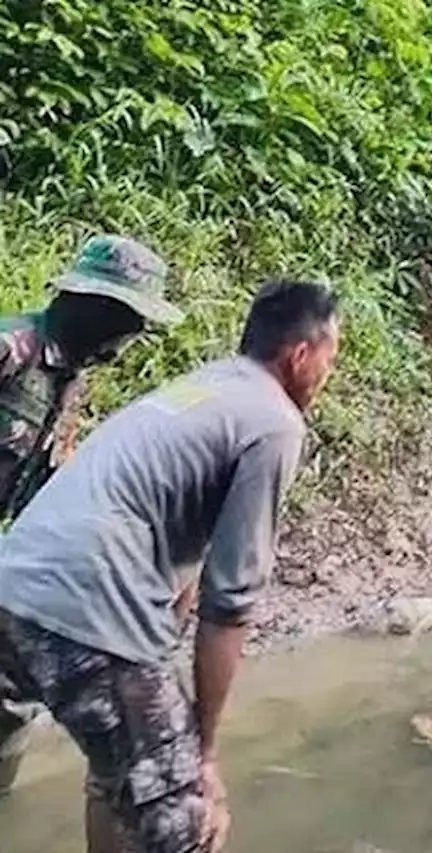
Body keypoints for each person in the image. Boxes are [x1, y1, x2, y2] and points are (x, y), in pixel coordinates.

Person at [0, 278, 340, 853]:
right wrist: (200, 754)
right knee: (187, 814)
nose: (330, 376)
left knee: (120, 774)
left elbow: (183, 570)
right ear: (300, 354)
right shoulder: (275, 421)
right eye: (332, 357)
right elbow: (229, 604)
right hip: (85, 608)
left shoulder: (203, 389)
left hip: (13, 590)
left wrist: (159, 684)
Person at [0, 233, 184, 798]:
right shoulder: (12, 349)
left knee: (14, 696)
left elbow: (44, 483)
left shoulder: (70, 378)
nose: (133, 342)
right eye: (132, 325)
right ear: (100, 309)